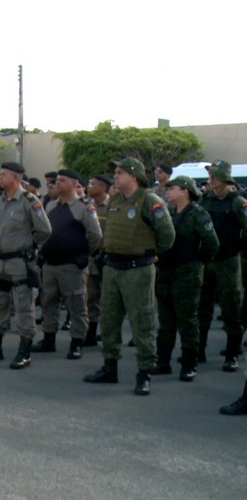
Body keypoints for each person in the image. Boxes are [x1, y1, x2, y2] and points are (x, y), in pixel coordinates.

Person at [83, 157, 174, 395]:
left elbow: (167, 235)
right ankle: (109, 367)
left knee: (142, 322)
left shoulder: (149, 201)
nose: (115, 175)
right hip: (113, 268)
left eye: (120, 172)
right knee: (109, 319)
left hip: (138, 270)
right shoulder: (115, 200)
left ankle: (144, 373)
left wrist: (150, 254)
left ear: (133, 175)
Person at [0, 161, 52, 369]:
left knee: (23, 306)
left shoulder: (29, 201)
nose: (0, 179)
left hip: (19, 263)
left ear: (16, 178)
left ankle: (24, 350)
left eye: (3, 175)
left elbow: (44, 230)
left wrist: (31, 246)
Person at [152, 175, 218, 381]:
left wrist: (198, 261)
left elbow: (211, 243)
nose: (169, 191)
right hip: (165, 272)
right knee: (166, 319)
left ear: (185, 191)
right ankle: (163, 361)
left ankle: (189, 364)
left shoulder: (198, 214)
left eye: (173, 188)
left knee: (188, 319)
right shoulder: (169, 213)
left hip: (187, 273)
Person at [33, 169, 103, 359]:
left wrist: (83, 254)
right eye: (57, 181)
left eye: (62, 181)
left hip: (72, 266)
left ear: (74, 184)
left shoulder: (84, 207)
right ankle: (48, 339)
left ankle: (76, 343)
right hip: (50, 264)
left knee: (77, 305)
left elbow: (95, 235)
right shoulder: (51, 206)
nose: (57, 183)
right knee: (49, 303)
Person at [196, 159, 247, 370]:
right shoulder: (204, 200)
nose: (211, 178)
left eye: (214, 174)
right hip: (206, 261)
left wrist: (237, 247)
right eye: (210, 174)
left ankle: (232, 354)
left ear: (225, 178)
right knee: (202, 307)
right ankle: (198, 351)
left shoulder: (237, 201)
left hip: (228, 262)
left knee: (231, 307)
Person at [83, 174, 113, 347]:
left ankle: (109, 333)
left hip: (108, 259)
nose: (88, 186)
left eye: (92, 184)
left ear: (102, 187)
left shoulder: (113, 207)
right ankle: (91, 333)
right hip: (92, 259)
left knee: (109, 299)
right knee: (91, 297)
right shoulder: (88, 206)